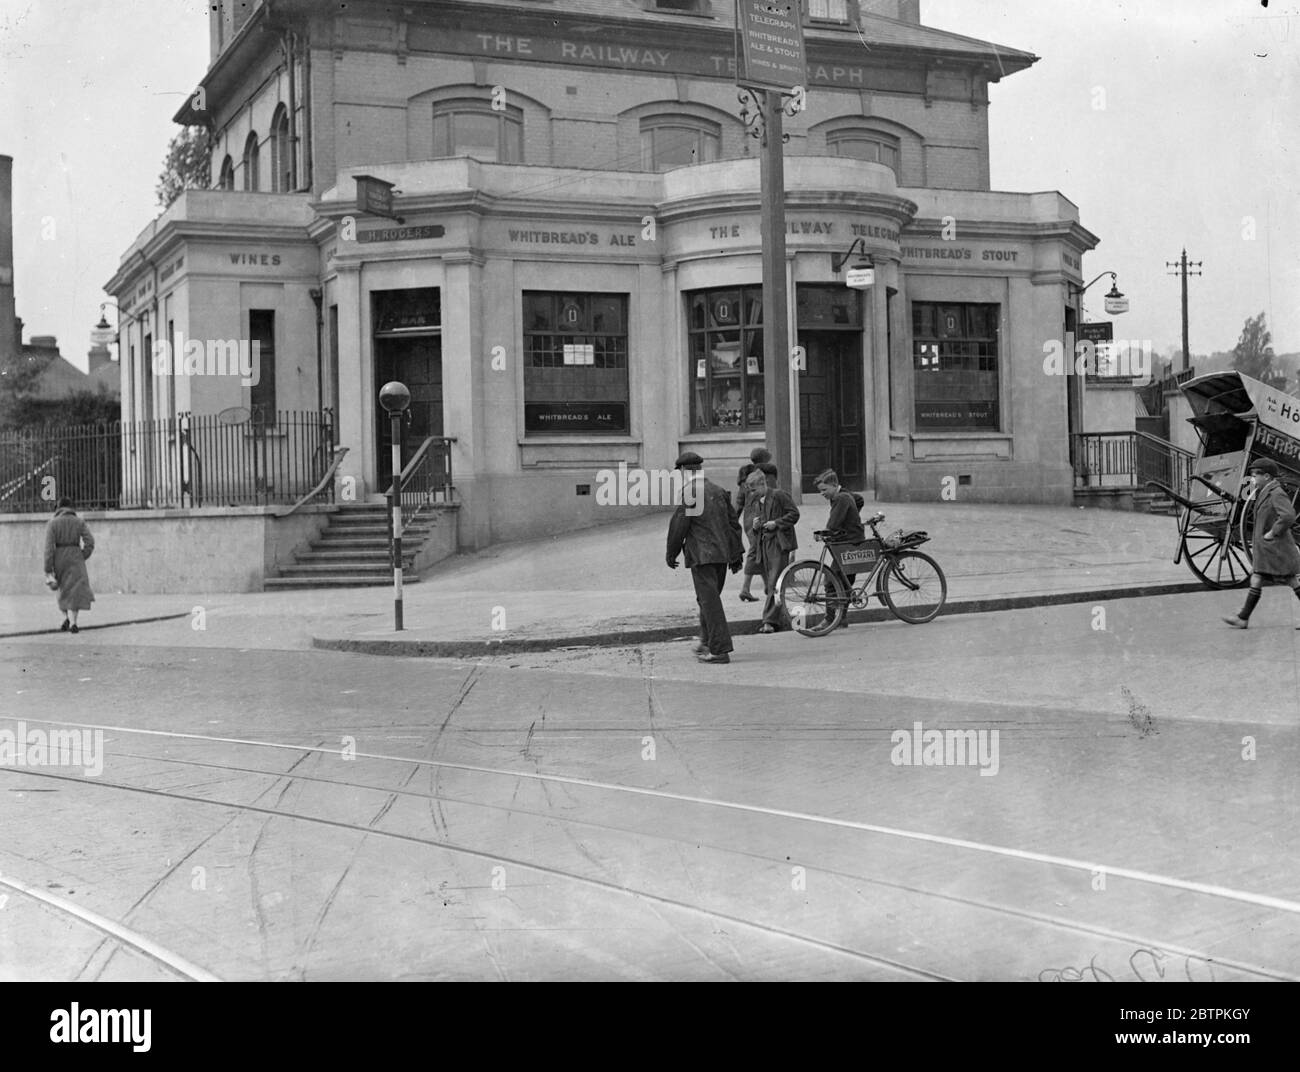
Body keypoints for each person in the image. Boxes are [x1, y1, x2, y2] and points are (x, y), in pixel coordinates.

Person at [666, 452, 745, 663]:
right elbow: (733, 525)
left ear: (684, 471)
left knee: (710, 603)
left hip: (702, 556)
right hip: (721, 556)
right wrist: (736, 555)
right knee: (707, 600)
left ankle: (719, 650)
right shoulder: (718, 490)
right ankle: (707, 642)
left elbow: (679, 525)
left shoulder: (690, 492)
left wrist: (671, 553)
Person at [1223, 458, 1300, 629]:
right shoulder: (1264, 491)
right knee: (1257, 578)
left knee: (1292, 581)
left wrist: (1273, 532)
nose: (1252, 480)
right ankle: (1243, 618)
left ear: (1266, 476)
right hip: (1269, 549)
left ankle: (1243, 618)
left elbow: (1288, 516)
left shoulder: (1276, 492)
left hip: (1277, 548)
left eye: (1254, 476)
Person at [749, 462, 800, 633]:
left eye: (753, 489)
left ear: (763, 484)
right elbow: (759, 527)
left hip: (779, 544)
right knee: (774, 584)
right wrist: (756, 526)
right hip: (766, 545)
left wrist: (776, 523)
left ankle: (769, 621)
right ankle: (780, 618)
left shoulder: (779, 495)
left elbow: (794, 514)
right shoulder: (759, 502)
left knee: (774, 582)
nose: (751, 494)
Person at [815, 468, 865, 629]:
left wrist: (823, 533)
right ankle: (841, 618)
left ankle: (830, 620)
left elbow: (833, 523)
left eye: (824, 490)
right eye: (820, 491)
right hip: (851, 543)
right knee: (844, 581)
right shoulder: (843, 494)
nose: (822, 494)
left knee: (831, 581)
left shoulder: (841, 498)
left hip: (849, 545)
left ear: (834, 485)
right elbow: (859, 499)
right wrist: (852, 516)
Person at [44, 496, 95, 634]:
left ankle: (65, 617)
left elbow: (48, 548)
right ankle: (74, 621)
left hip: (59, 558)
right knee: (75, 590)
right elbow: (90, 542)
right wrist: (82, 555)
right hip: (76, 556)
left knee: (62, 590)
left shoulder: (52, 523)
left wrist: (48, 568)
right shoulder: (79, 522)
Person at [735, 447, 772, 603]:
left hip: (748, 521)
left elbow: (738, 504)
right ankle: (745, 588)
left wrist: (733, 521)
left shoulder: (745, 479)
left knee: (759, 552)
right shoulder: (763, 476)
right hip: (760, 519)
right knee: (755, 552)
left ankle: (767, 586)